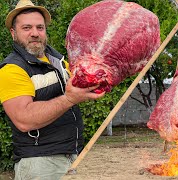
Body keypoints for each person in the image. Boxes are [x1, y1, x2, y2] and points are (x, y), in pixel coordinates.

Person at [0, 0, 105, 179]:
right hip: (40, 164)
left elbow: (83, 86)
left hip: (70, 157)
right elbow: (24, 120)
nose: (35, 33)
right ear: (13, 33)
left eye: (40, 27)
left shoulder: (58, 61)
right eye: (26, 28)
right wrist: (69, 99)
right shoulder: (11, 69)